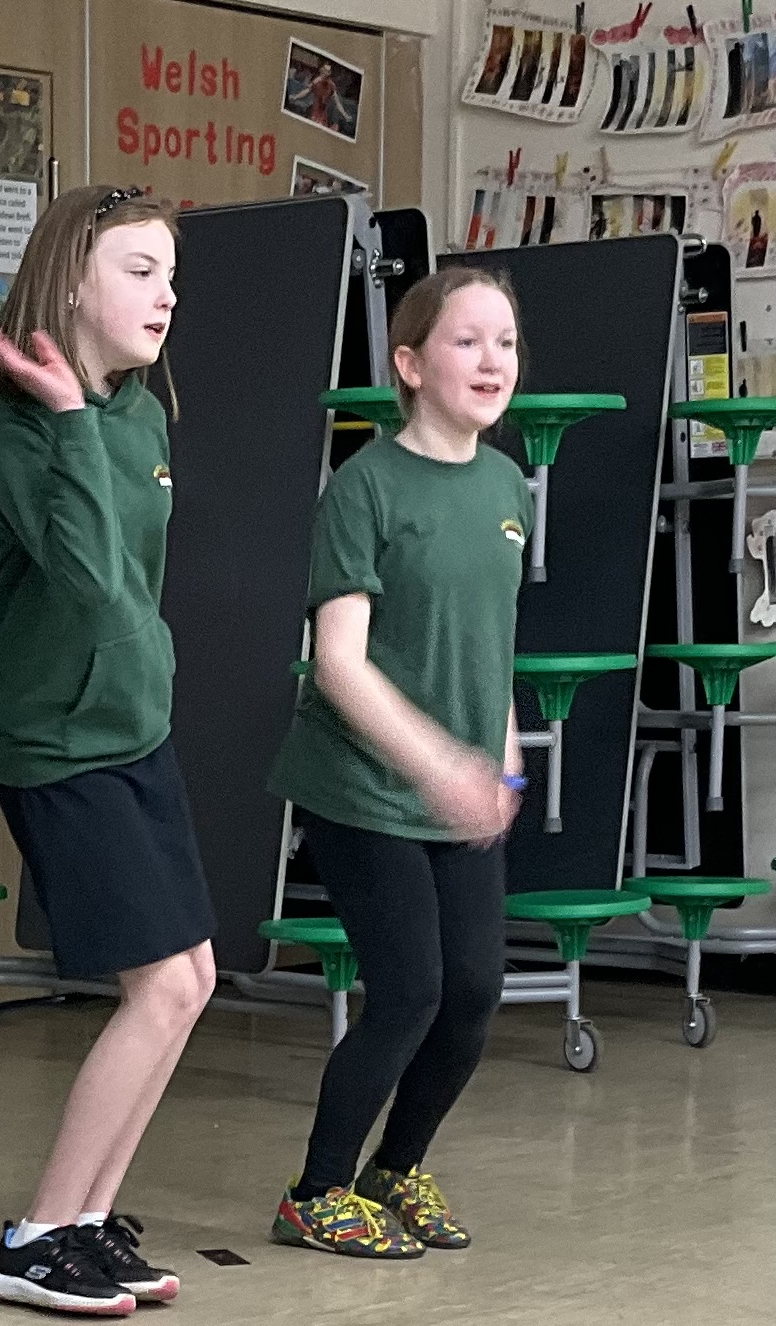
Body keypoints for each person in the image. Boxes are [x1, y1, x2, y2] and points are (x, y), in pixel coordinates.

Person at [0, 186, 211, 1317]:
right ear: (70, 279)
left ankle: (90, 1219)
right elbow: (94, 582)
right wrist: (66, 417)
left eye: (170, 275)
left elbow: (137, 591)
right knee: (154, 986)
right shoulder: (14, 427)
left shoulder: (143, 416)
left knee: (190, 980)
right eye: (138, 271)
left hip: (132, 724)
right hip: (56, 738)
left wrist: (151, 675)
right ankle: (37, 1235)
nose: (165, 296)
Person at [266, 267, 530, 1259]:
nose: (492, 360)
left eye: (506, 342)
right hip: (364, 788)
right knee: (411, 990)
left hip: (461, 790)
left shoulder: (507, 488)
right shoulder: (364, 487)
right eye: (467, 341)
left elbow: (490, 646)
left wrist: (501, 763)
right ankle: (316, 1192)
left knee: (473, 995)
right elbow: (339, 663)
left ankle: (395, 1169)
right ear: (410, 365)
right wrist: (437, 764)